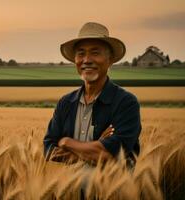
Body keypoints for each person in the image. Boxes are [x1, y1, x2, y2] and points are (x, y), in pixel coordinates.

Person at [43, 22, 141, 166]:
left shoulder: (126, 103)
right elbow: (48, 148)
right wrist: (96, 146)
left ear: (110, 60)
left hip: (112, 188)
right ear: (75, 60)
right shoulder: (66, 102)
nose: (87, 60)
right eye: (81, 53)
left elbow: (111, 155)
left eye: (95, 53)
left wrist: (66, 142)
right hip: (70, 189)